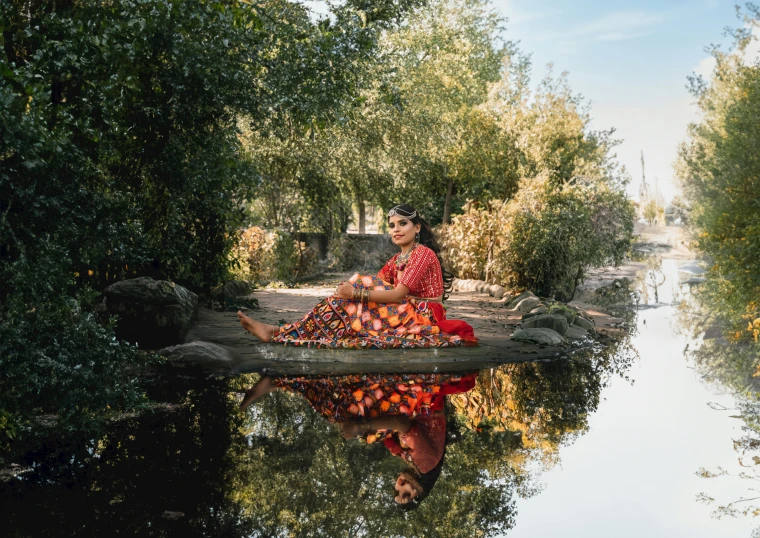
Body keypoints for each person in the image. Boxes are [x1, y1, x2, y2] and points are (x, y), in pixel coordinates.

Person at [237, 203, 477, 349]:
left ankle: (277, 332)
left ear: (417, 228)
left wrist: (355, 292)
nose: (396, 229)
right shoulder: (397, 259)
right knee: (352, 295)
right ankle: (281, 332)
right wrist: (351, 290)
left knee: (355, 295)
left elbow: (396, 295)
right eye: (392, 225)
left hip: (424, 315)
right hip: (406, 310)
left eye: (403, 223)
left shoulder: (422, 253)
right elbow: (377, 283)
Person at [239, 371, 478, 507]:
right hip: (423, 398)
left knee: (346, 416)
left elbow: (392, 438)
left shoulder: (415, 465)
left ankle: (285, 382)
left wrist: (365, 431)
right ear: (420, 493)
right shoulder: (426, 464)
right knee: (351, 413)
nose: (400, 486)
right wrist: (361, 426)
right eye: (406, 494)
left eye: (396, 490)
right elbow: (403, 425)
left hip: (413, 405)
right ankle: (282, 381)